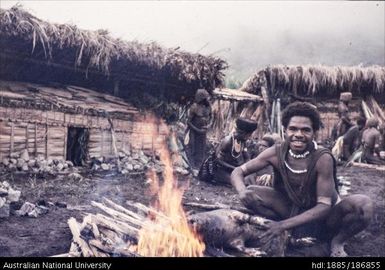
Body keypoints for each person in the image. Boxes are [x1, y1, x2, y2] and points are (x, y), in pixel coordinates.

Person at [231, 102, 373, 257]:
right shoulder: (275, 153)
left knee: (363, 205)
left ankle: (336, 241)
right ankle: (292, 230)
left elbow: (324, 206)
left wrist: (282, 225)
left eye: (305, 130)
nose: (298, 134)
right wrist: (241, 190)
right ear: (285, 130)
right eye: (293, 129)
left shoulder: (322, 158)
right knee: (251, 193)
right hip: (291, 210)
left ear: (315, 133)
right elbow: (238, 171)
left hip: (326, 217)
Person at [213, 117, 258, 185]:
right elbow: (218, 161)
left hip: (234, 170)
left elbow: (246, 157)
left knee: (251, 176)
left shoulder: (242, 141)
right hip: (222, 171)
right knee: (242, 182)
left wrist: (249, 167)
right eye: (249, 135)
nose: (249, 137)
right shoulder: (227, 141)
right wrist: (235, 168)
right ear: (244, 134)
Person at [186, 89, 212, 168]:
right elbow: (189, 122)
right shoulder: (194, 107)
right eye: (206, 97)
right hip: (194, 132)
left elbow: (212, 117)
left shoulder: (209, 107)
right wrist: (197, 130)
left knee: (202, 148)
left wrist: (208, 126)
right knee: (193, 147)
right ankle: (192, 165)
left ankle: (199, 165)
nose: (208, 99)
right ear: (201, 98)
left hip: (203, 132)